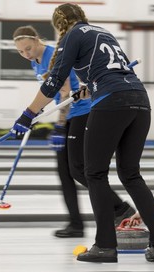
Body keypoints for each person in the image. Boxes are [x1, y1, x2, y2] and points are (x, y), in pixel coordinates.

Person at [9, 3, 154, 263]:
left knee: (94, 173)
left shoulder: (71, 35)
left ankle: (105, 246)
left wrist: (27, 115)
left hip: (112, 103)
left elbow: (54, 82)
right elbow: (107, 70)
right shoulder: (102, 32)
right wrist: (88, 88)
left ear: (59, 25)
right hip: (140, 101)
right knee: (131, 175)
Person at [12, 25, 135, 239]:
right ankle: (75, 223)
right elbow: (52, 94)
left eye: (28, 49)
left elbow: (65, 91)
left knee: (77, 169)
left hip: (82, 112)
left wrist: (60, 125)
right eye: (21, 52)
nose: (26, 55)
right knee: (64, 172)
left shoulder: (53, 55)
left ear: (38, 40)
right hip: (69, 114)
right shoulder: (35, 62)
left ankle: (120, 209)